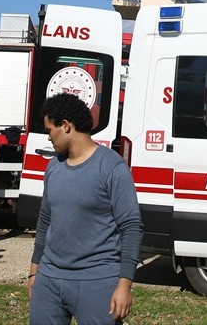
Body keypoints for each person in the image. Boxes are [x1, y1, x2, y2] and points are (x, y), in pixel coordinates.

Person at [28, 92, 143, 324]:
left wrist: (124, 285)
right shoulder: (53, 167)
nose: (48, 137)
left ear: (66, 126)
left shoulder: (112, 167)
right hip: (49, 279)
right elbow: (45, 221)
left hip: (98, 281)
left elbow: (131, 227)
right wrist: (34, 272)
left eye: (50, 130)